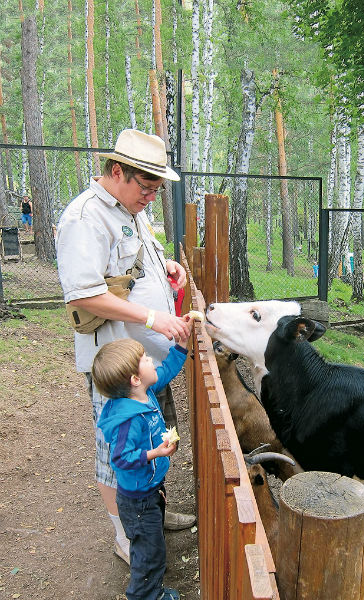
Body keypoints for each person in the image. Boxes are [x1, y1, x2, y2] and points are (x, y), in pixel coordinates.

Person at [55, 129, 195, 565]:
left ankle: (151, 512)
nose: (151, 197)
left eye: (156, 189)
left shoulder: (128, 209)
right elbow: (82, 294)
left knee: (154, 433)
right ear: (118, 172)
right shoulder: (84, 218)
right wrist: (154, 318)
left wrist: (165, 267)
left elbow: (137, 259)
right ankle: (126, 534)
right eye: (148, 187)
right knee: (116, 450)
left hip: (145, 361)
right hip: (116, 364)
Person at [94, 336, 190, 600]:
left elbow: (166, 371)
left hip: (150, 490)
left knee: (153, 547)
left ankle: (153, 591)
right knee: (148, 555)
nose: (151, 360)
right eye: (145, 359)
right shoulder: (129, 420)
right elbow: (121, 459)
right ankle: (144, 596)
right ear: (135, 379)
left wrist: (181, 346)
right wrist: (155, 453)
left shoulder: (143, 393)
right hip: (138, 502)